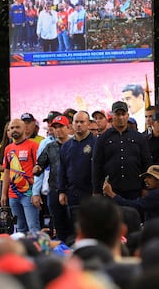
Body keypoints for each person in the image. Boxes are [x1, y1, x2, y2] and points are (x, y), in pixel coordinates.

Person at [92, 101, 152, 199]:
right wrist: (96, 190)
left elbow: (146, 162)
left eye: (123, 114)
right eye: (117, 114)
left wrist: (146, 187)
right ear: (112, 116)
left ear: (128, 116)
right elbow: (96, 165)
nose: (120, 117)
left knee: (134, 214)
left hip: (135, 189)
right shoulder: (103, 139)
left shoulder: (139, 138)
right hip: (111, 190)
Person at [58, 111, 96, 242]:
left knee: (91, 228)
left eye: (82, 122)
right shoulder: (66, 146)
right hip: (72, 194)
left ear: (89, 124)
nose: (79, 125)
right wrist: (61, 191)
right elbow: (62, 169)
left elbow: (101, 170)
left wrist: (97, 191)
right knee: (75, 229)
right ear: (72, 124)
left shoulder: (96, 143)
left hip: (90, 193)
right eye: (76, 122)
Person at [33, 115, 71, 241]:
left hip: (72, 189)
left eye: (61, 126)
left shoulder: (74, 144)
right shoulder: (50, 146)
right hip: (54, 188)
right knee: (58, 224)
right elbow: (40, 165)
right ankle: (61, 250)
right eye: (55, 127)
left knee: (73, 223)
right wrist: (37, 168)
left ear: (68, 127)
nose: (58, 130)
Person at [1, 119, 40, 233]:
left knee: (33, 227)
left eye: (17, 127)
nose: (14, 130)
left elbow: (39, 170)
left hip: (29, 193)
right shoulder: (8, 148)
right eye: (12, 128)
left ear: (24, 129)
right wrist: (4, 194)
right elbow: (7, 171)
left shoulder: (33, 146)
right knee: (19, 228)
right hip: (13, 194)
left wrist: (36, 193)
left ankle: (36, 250)